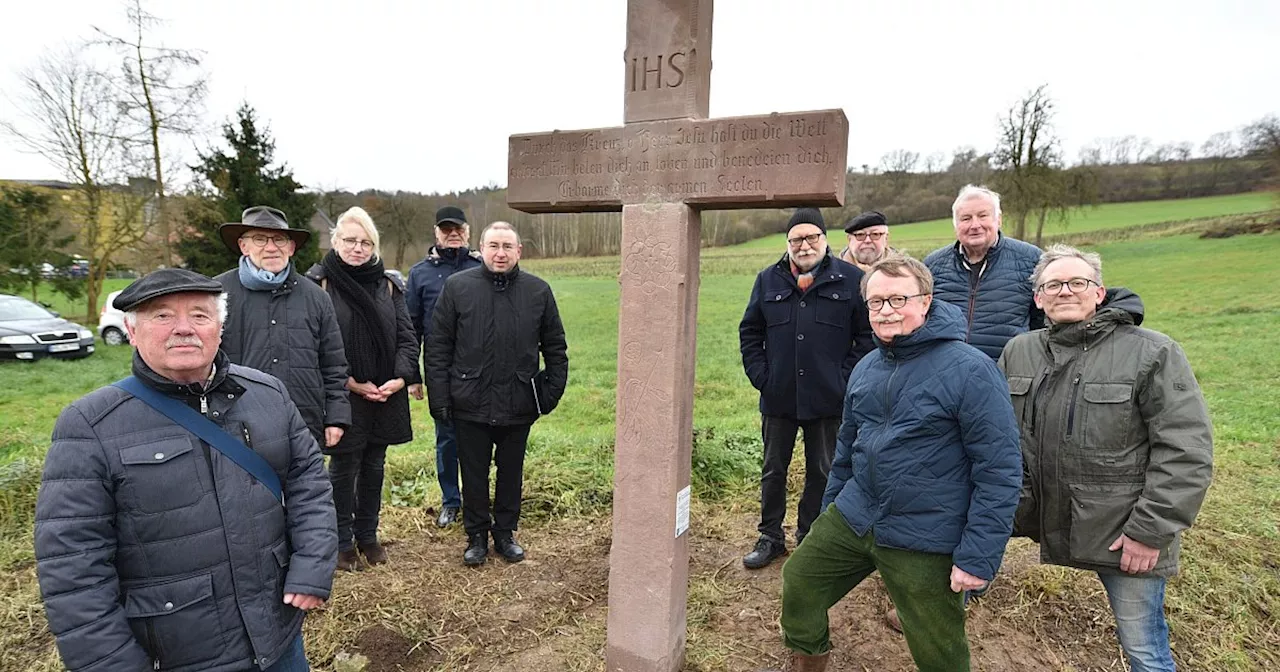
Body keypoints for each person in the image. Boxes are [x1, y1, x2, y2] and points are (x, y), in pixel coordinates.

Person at [35, 269, 337, 672]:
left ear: (219, 328)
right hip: (177, 654)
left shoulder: (268, 394)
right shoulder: (89, 425)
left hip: (277, 638)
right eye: (162, 316)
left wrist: (312, 565)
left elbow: (309, 485)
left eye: (199, 315)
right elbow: (73, 566)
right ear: (132, 330)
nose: (184, 329)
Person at [773, 255, 1021, 672]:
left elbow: (999, 470)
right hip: (855, 515)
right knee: (800, 581)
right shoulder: (867, 367)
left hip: (925, 530)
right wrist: (828, 511)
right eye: (875, 302)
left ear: (925, 302)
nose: (885, 311)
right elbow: (847, 451)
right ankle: (809, 660)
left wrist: (978, 555)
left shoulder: (972, 370)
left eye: (897, 299)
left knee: (937, 647)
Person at [999, 245, 1213, 672]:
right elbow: (1000, 438)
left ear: (1099, 292)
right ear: (1038, 298)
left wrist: (1150, 532)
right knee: (966, 563)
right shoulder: (1018, 350)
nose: (1065, 291)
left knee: (1144, 652)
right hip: (1032, 510)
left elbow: (1186, 449)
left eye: (1077, 282)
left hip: (1120, 530)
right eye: (1052, 285)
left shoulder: (1153, 352)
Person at [425, 221, 569, 566]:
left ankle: (505, 533)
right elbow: (438, 348)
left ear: (519, 251)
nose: (500, 253)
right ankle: (476, 535)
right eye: (494, 246)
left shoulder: (538, 291)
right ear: (481, 248)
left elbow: (555, 348)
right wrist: (441, 399)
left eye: (507, 247)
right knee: (472, 473)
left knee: (510, 471)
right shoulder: (458, 288)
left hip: (518, 400)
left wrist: (547, 395)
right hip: (468, 401)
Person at [738, 207, 874, 570]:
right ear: (788, 243)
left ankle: (810, 536)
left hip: (829, 399)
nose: (804, 244)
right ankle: (770, 537)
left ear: (825, 240)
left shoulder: (850, 280)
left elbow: (866, 336)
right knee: (773, 470)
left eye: (812, 237)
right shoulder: (768, 280)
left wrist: (844, 380)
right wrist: (762, 377)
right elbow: (750, 331)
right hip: (778, 397)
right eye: (796, 238)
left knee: (823, 470)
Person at [306, 207, 421, 572]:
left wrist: (400, 379)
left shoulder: (387, 285)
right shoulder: (318, 284)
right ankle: (341, 543)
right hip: (343, 394)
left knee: (375, 465)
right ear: (335, 241)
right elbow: (314, 346)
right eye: (350, 241)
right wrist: (352, 383)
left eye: (365, 242)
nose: (358, 248)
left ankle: (368, 536)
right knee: (343, 468)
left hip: (385, 394)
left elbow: (407, 337)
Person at [216, 205, 351, 449]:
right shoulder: (216, 294)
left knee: (305, 487)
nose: (271, 247)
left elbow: (334, 363)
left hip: (303, 422)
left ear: (291, 247)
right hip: (235, 423)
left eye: (279, 239)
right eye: (259, 239)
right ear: (243, 246)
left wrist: (336, 417)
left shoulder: (316, 296)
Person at [406, 205, 482, 529]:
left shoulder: (483, 268)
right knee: (447, 439)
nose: (453, 234)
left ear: (467, 232)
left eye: (458, 229)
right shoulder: (420, 274)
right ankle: (451, 501)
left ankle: (479, 500)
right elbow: (410, 327)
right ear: (436, 233)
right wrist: (412, 374)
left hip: (479, 370)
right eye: (446, 229)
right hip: (441, 371)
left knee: (479, 438)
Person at [924, 185, 1044, 360]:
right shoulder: (932, 265)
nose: (975, 225)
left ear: (999, 219)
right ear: (955, 224)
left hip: (1008, 374)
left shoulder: (1032, 260)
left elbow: (1043, 322)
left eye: (982, 216)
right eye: (966, 218)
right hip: (947, 374)